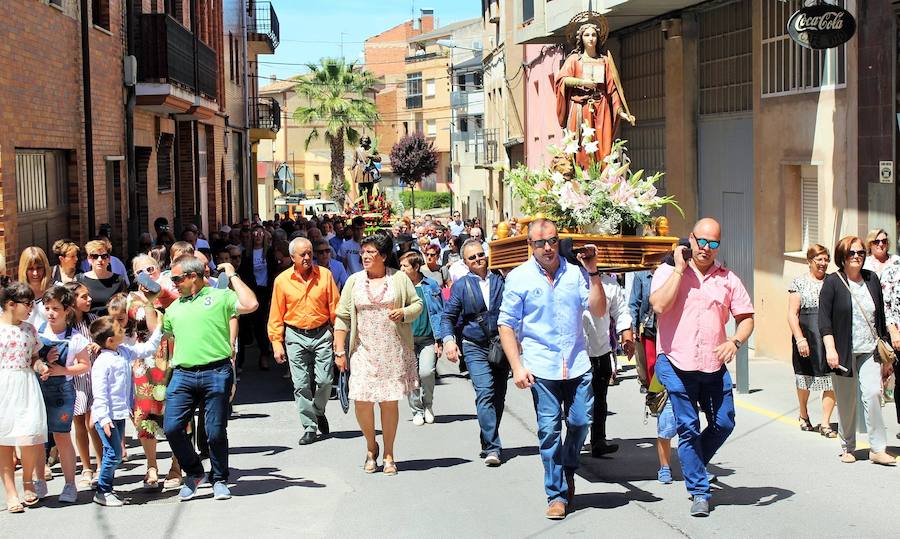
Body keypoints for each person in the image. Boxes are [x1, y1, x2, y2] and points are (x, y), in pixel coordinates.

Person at [498, 219, 607, 520]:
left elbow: (598, 310)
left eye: (553, 241)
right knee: (549, 431)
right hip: (541, 366)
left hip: (577, 364)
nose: (547, 248)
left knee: (581, 422)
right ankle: (556, 494)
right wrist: (517, 366)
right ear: (529, 245)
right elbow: (506, 324)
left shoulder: (576, 274)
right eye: (540, 242)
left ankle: (568, 468)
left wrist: (594, 272)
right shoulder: (518, 278)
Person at [649, 218, 754, 517]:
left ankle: (691, 460)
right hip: (675, 361)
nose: (706, 248)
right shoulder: (669, 271)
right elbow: (658, 305)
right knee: (688, 426)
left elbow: (746, 317)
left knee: (724, 422)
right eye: (701, 241)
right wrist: (680, 270)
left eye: (713, 243)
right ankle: (699, 491)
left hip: (712, 364)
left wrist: (735, 340)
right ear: (691, 240)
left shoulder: (727, 278)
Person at [162, 256, 258, 502]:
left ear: (193, 277)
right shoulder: (174, 307)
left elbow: (251, 304)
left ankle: (219, 479)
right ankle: (194, 472)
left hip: (216, 371)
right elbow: (160, 333)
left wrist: (233, 275)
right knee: (172, 427)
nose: (174, 283)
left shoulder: (220, 296)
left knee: (215, 432)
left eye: (177, 278)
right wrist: (148, 302)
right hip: (182, 374)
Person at [333, 234, 422, 476]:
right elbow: (342, 316)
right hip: (363, 350)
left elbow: (417, 305)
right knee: (361, 399)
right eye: (364, 252)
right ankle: (371, 446)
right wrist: (339, 349)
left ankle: (389, 453)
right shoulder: (354, 281)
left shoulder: (399, 279)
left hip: (393, 351)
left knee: (388, 402)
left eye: (371, 252)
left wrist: (403, 312)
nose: (365, 256)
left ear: (383, 256)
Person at [819, 236, 895, 466]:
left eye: (861, 253)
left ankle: (877, 448)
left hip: (869, 349)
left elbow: (879, 316)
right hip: (842, 351)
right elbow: (824, 320)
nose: (857, 257)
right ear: (842, 256)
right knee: (847, 400)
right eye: (852, 253)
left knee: (873, 394)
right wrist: (830, 349)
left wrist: (885, 350)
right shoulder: (833, 282)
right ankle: (848, 446)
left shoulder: (871, 279)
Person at [89, 298, 164, 507]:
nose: (123, 329)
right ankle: (103, 490)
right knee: (112, 454)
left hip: (119, 414)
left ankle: (106, 488)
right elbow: (100, 394)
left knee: (114, 454)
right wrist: (103, 419)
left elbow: (146, 349)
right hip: (107, 417)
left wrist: (158, 328)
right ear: (110, 341)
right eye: (118, 330)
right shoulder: (103, 363)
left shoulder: (123, 351)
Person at [268, 238, 340, 446]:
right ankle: (309, 426)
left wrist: (339, 336)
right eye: (303, 254)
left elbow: (335, 308)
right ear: (292, 258)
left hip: (321, 333)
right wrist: (276, 342)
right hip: (295, 335)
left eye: (309, 253)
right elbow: (276, 314)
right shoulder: (282, 280)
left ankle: (318, 411)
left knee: (325, 381)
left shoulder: (325, 276)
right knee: (300, 385)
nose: (307, 257)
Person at [441, 239, 507, 462]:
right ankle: (492, 447)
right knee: (485, 391)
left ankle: (487, 436)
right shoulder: (460, 286)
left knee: (498, 396)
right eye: (472, 257)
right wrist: (449, 341)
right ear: (465, 262)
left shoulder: (501, 279)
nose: (478, 259)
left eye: (481, 254)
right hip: (473, 345)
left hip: (500, 345)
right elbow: (448, 317)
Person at [34, 285, 91, 503]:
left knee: (62, 436)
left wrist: (64, 370)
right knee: (38, 438)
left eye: (55, 308)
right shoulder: (38, 333)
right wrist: (42, 363)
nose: (50, 313)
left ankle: (70, 484)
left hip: (63, 392)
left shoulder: (75, 337)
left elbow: (85, 365)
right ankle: (39, 479)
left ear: (67, 310)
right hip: (39, 389)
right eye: (47, 308)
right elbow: (30, 359)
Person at [555, 12, 634, 168]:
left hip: (601, 108)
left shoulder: (604, 61)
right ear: (581, 38)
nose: (591, 38)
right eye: (587, 35)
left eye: (593, 35)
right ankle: (580, 177)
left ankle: (602, 180)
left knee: (602, 148)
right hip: (580, 108)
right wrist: (582, 82)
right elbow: (561, 80)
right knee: (581, 147)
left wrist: (620, 112)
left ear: (598, 38)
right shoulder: (574, 60)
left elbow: (612, 89)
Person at [129, 256, 181, 488]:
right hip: (145, 362)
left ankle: (177, 464)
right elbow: (149, 327)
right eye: (140, 272)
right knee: (144, 415)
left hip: (175, 357)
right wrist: (149, 301)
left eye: (150, 269)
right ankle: (151, 465)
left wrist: (159, 294)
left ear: (159, 270)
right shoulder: (131, 300)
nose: (146, 274)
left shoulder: (172, 292)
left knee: (178, 413)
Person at [0, 282, 49, 513]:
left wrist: (40, 366)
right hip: (3, 386)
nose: (31, 308)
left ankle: (28, 482)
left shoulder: (30, 329)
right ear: (10, 304)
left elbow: (34, 357)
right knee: (4, 441)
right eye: (27, 304)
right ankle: (10, 492)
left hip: (26, 384)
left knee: (29, 436)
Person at [581, 273, 633, 457]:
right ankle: (575, 440)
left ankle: (598, 441)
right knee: (576, 402)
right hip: (575, 355)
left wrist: (627, 335)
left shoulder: (610, 284)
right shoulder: (569, 279)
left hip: (600, 350)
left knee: (600, 399)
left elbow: (620, 311)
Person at [787, 244, 836, 437]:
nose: (823, 263)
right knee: (804, 378)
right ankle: (803, 413)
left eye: (826, 259)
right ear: (809, 261)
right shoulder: (798, 282)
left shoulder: (833, 281)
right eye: (819, 260)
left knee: (831, 380)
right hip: (807, 334)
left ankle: (825, 423)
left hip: (829, 335)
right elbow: (792, 314)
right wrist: (800, 339)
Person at [63, 281, 102, 489]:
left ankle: (101, 464)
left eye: (88, 296)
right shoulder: (66, 327)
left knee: (93, 423)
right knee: (79, 424)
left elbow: (108, 342)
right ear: (72, 301)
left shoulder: (94, 320)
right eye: (83, 297)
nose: (89, 300)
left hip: (95, 376)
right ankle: (86, 467)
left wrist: (101, 344)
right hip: (76, 379)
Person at [399, 252, 444, 426]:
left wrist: (439, 340)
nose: (401, 269)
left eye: (405, 266)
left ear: (416, 267)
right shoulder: (399, 288)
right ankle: (416, 410)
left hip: (427, 339)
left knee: (426, 373)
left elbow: (440, 312)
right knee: (411, 376)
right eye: (401, 266)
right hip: (407, 339)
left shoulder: (431, 285)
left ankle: (428, 406)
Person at [77, 239, 127, 317]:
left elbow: (123, 307)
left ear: (109, 259)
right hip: (88, 325)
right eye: (95, 256)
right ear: (89, 259)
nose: (100, 260)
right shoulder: (80, 280)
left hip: (111, 324)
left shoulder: (119, 280)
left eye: (104, 256)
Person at [18, 246, 53, 328]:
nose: (35, 273)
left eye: (39, 268)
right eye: (30, 269)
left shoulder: (58, 290)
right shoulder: (16, 295)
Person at [352, 136, 381, 201]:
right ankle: (361, 205)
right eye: (363, 139)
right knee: (361, 190)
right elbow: (354, 160)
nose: (365, 140)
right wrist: (352, 166)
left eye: (366, 139)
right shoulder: (357, 150)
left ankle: (369, 204)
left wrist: (372, 156)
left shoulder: (372, 149)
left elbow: (379, 159)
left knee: (370, 189)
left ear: (368, 140)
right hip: (361, 171)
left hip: (370, 171)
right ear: (361, 140)